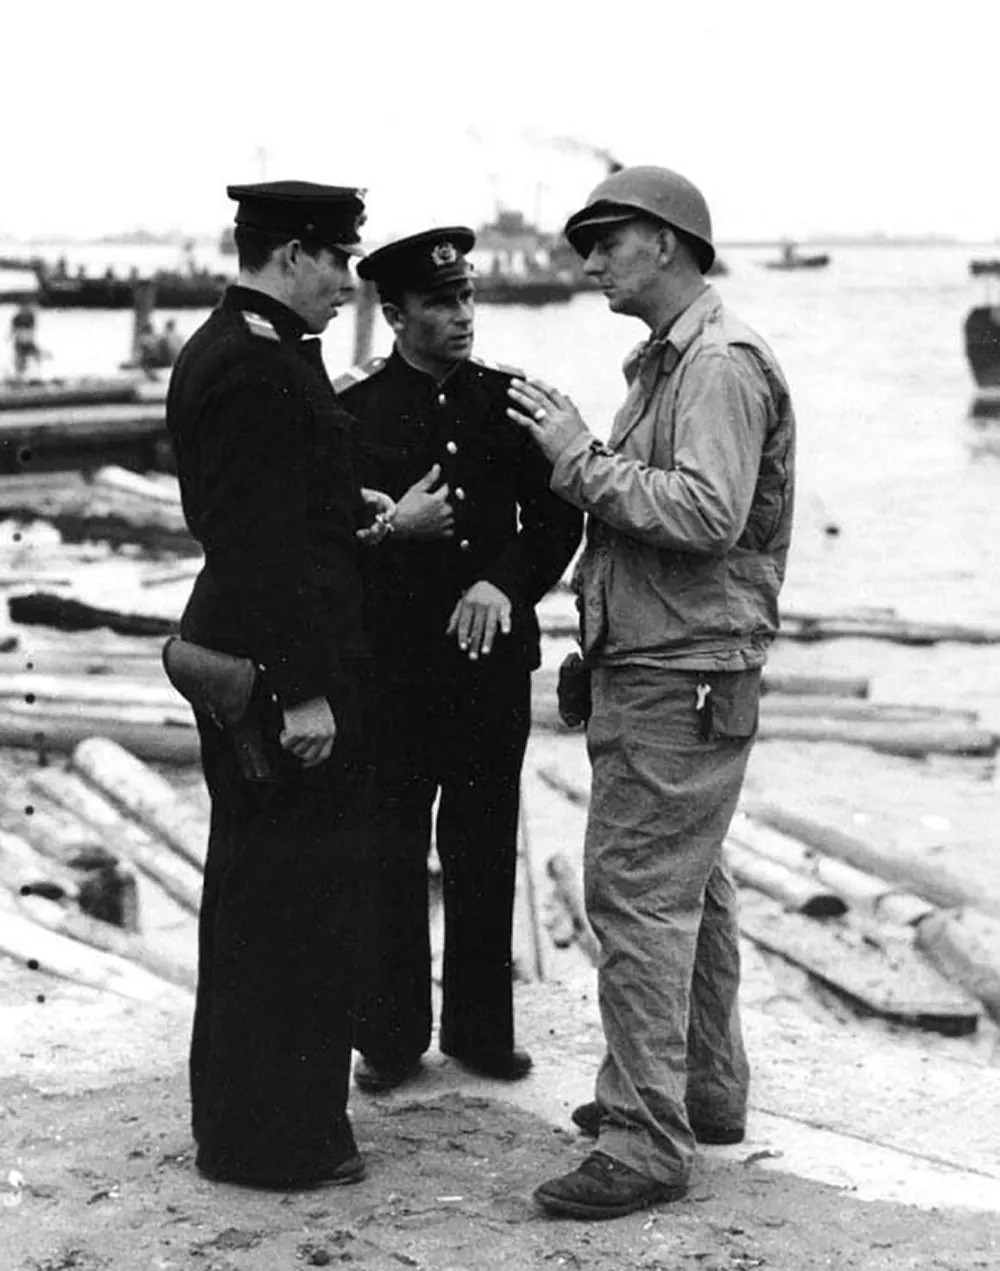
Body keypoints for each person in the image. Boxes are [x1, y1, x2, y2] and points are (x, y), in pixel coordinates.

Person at [507, 166, 796, 1220]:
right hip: (678, 665)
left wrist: (574, 456)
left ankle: (642, 1140)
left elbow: (707, 513)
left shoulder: (714, 365)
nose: (588, 265)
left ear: (666, 245)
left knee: (635, 892)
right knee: (692, 885)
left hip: (679, 675)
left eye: (606, 243)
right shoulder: (676, 360)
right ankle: (700, 1091)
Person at [167, 179, 390, 1190]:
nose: (349, 284)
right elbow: (259, 547)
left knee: (260, 893)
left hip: (247, 652)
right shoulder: (261, 368)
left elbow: (264, 511)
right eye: (339, 261)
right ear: (293, 255)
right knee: (289, 907)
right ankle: (275, 1141)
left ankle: (250, 1121)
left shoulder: (236, 347)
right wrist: (303, 691)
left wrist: (351, 505)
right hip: (275, 674)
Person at [336, 227, 582, 1092]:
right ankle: (392, 1039)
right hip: (393, 674)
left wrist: (503, 586)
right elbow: (330, 540)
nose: (462, 315)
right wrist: (392, 533)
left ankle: (481, 1030)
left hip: (486, 670)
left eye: (468, 296)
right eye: (441, 303)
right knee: (390, 848)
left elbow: (559, 519)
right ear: (395, 315)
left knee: (481, 845)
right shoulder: (353, 413)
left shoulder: (511, 404)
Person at [9, 303, 42, 378]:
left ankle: (37, 374)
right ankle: (19, 374)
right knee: (20, 358)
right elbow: (13, 329)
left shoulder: (31, 317)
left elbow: (32, 329)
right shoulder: (17, 318)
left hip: (28, 341)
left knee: (36, 356)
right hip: (20, 342)